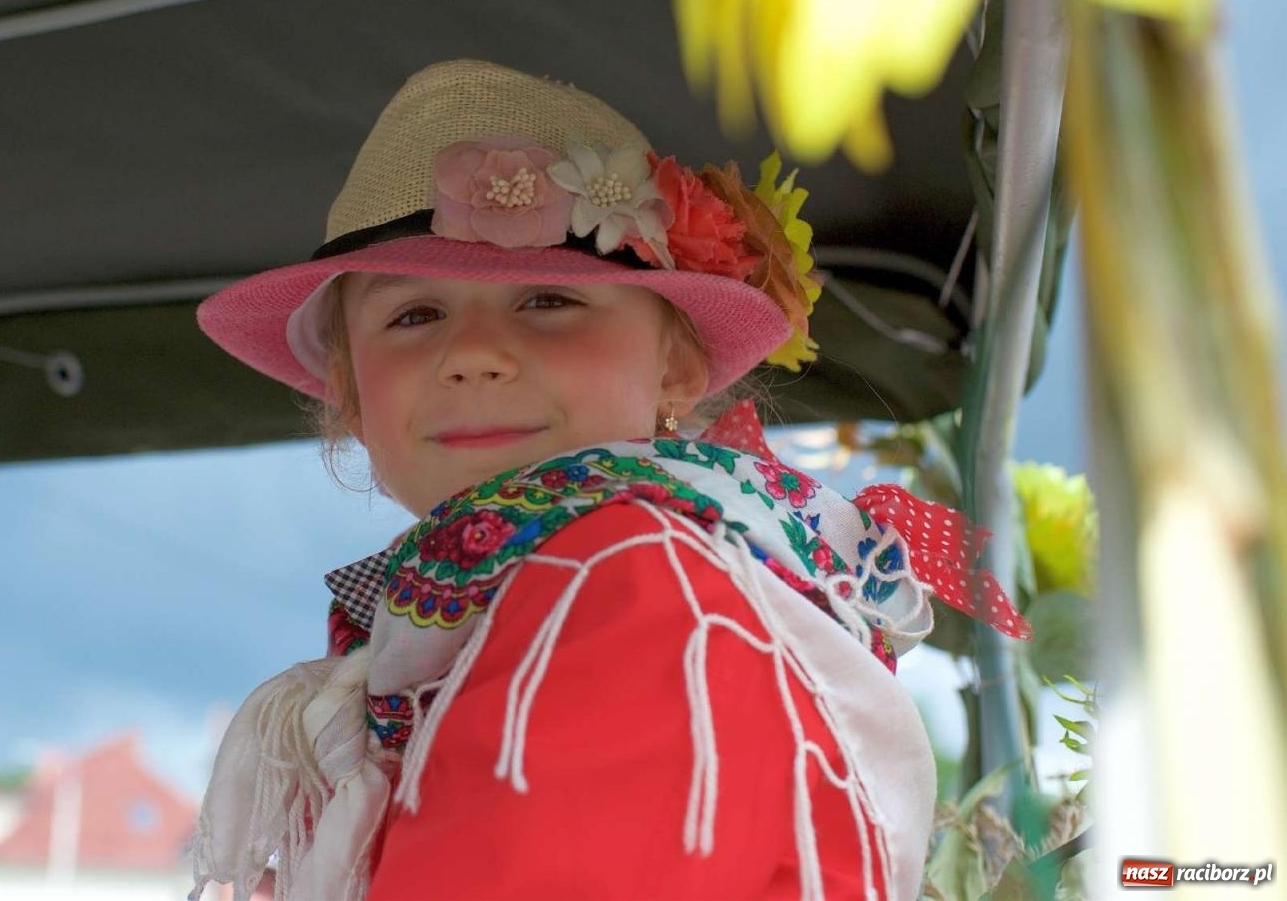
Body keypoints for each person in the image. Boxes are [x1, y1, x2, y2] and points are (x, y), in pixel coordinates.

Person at [189, 59, 1030, 901]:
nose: (474, 354)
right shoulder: (580, 581)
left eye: (549, 300)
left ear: (677, 366)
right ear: (350, 390)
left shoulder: (625, 575)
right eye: (414, 316)